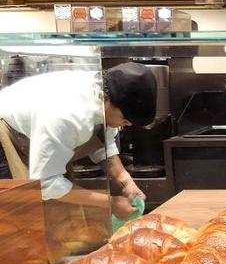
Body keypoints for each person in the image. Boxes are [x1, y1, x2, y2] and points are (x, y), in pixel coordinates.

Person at [0, 62, 157, 218]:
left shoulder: (103, 94)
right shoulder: (67, 115)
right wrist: (111, 203)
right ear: (106, 99)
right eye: (125, 120)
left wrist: (126, 181)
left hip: (38, 136)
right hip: (7, 136)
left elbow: (104, 142)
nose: (127, 125)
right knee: (20, 219)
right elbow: (46, 183)